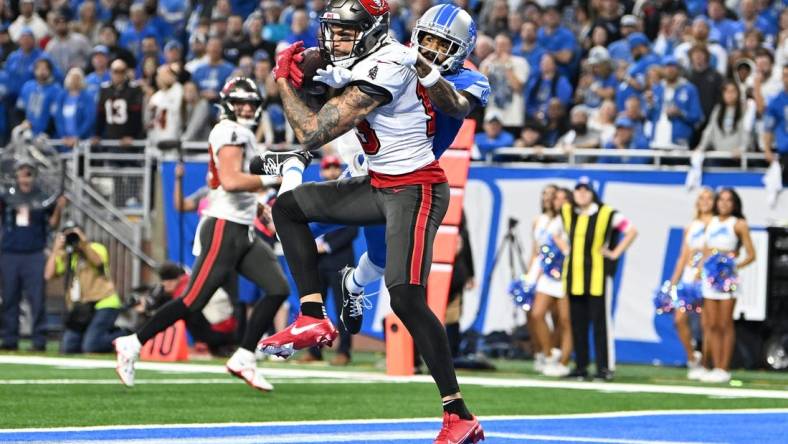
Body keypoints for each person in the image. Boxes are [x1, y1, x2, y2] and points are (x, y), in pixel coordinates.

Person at [256, 1, 484, 441]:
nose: (433, 50)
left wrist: (284, 78)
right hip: (373, 177)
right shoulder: (386, 57)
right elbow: (336, 66)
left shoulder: (424, 69)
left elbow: (455, 105)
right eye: (428, 41)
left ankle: (459, 415)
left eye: (443, 45)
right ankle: (311, 315)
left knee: (405, 298)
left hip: (416, 186)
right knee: (286, 211)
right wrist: (308, 62)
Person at [113, 77, 290, 394]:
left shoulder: (242, 132)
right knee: (193, 301)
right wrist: (276, 179)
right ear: (228, 104)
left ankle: (245, 357)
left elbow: (237, 186)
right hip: (223, 226)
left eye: (252, 102)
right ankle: (133, 342)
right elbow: (232, 180)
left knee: (277, 288)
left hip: (241, 226)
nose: (247, 108)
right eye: (241, 102)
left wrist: (259, 207)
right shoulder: (229, 131)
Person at [560, 177, 638, 381]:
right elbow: (552, 232)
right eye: (578, 190)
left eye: (586, 190)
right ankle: (581, 366)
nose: (582, 194)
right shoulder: (568, 212)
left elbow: (631, 230)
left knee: (600, 324)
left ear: (593, 192)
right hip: (575, 275)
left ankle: (604, 367)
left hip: (597, 276)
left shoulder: (606, 213)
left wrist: (614, 252)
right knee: (577, 324)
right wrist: (565, 249)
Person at [0, 159, 66, 352]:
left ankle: (39, 341)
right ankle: (9, 338)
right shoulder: (8, 197)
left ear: (34, 176)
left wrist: (60, 207)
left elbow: (53, 224)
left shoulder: (42, 197)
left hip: (34, 254)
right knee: (10, 297)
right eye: (22, 174)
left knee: (37, 299)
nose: (25, 178)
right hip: (10, 253)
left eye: (29, 174)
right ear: (17, 176)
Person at [300, 156, 359, 366]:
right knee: (316, 307)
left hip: (340, 260)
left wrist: (325, 246)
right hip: (319, 261)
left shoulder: (348, 197)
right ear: (322, 172)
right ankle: (315, 352)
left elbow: (352, 230)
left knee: (344, 308)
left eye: (335, 167)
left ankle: (344, 352)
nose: (332, 172)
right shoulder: (316, 197)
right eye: (328, 168)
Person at [700, 188, 756, 383]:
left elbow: (751, 254)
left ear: (734, 204)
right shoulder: (709, 222)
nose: (724, 203)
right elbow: (705, 250)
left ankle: (724, 368)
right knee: (712, 324)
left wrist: (732, 266)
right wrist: (702, 268)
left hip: (726, 278)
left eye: (728, 200)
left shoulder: (739, 224)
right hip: (709, 277)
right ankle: (715, 367)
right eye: (721, 200)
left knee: (725, 323)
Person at [44, 223, 124, 353]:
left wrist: (83, 243)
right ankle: (96, 335)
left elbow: (98, 262)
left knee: (91, 346)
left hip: (104, 302)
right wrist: (56, 250)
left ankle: (124, 336)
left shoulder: (96, 248)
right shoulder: (67, 255)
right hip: (82, 308)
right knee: (69, 348)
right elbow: (48, 275)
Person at [526, 185, 571, 377]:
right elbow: (536, 249)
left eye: (560, 198)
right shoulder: (540, 220)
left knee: (564, 319)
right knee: (535, 314)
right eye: (554, 198)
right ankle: (547, 353)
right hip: (544, 272)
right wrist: (529, 274)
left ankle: (562, 360)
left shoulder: (569, 220)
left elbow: (568, 246)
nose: (554, 200)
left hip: (565, 273)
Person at [669, 188, 714, 380]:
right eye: (701, 198)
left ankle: (706, 363)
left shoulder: (716, 223)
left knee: (706, 324)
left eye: (708, 198)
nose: (704, 201)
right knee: (679, 320)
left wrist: (702, 270)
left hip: (707, 278)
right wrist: (673, 281)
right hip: (688, 278)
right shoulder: (692, 225)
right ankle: (692, 357)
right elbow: (683, 255)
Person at [647, 55, 703, 150]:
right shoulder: (657, 88)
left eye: (673, 66)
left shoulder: (689, 89)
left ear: (678, 69)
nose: (670, 70)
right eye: (667, 66)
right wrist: (650, 104)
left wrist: (680, 113)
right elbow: (649, 117)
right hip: (657, 141)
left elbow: (697, 117)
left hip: (679, 143)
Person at [697, 81, 756, 165]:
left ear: (738, 93)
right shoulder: (718, 110)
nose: (730, 94)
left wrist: (742, 149)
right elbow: (709, 130)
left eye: (733, 91)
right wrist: (701, 147)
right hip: (720, 155)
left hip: (737, 157)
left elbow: (747, 131)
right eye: (727, 91)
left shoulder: (744, 110)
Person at [479, 33, 527, 135]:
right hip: (492, 117)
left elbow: (518, 87)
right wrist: (486, 67)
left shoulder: (520, 62)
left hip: (513, 117)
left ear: (510, 46)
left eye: (504, 45)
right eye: (497, 44)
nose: (500, 48)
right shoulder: (486, 63)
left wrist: (507, 65)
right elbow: (480, 88)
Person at [95, 59, 145, 146]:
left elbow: (136, 116)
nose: (119, 75)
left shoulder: (134, 89)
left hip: (128, 140)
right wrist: (97, 135)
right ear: (110, 72)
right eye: (115, 71)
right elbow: (101, 115)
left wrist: (131, 135)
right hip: (110, 137)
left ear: (126, 72)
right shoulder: (104, 89)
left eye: (122, 71)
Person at [16, 57, 62, 137]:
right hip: (27, 132)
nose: (41, 71)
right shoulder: (27, 86)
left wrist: (47, 132)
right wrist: (22, 123)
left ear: (50, 71)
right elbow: (19, 110)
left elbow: (55, 117)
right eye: (39, 68)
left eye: (44, 68)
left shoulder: (56, 90)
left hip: (46, 136)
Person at [55, 68, 96, 149]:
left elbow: (89, 119)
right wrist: (63, 136)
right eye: (72, 77)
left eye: (77, 78)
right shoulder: (62, 96)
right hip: (65, 141)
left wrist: (78, 136)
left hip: (82, 141)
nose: (74, 80)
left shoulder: (87, 97)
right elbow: (58, 118)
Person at [145, 64, 183, 146]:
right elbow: (148, 118)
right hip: (157, 137)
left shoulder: (178, 90)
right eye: (160, 76)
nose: (161, 78)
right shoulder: (156, 96)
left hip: (173, 138)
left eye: (166, 75)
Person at [762, 65, 788, 185]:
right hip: (785, 154)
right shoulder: (776, 101)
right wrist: (767, 149)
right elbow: (768, 128)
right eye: (785, 75)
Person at [44, 10, 92, 74]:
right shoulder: (51, 45)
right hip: (60, 77)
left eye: (63, 23)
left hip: (80, 74)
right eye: (58, 23)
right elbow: (48, 63)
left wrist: (84, 68)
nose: (61, 25)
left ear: (68, 24)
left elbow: (91, 56)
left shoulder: (80, 39)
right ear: (54, 27)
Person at [192, 37, 235, 102]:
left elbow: (232, 92)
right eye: (211, 46)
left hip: (221, 105)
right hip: (201, 104)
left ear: (221, 49)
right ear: (206, 48)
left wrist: (217, 95)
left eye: (216, 46)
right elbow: (192, 90)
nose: (213, 49)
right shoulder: (199, 70)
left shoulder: (230, 69)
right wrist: (200, 94)